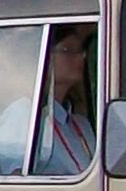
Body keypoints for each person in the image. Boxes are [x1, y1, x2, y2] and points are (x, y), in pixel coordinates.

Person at [31, 25, 97, 176]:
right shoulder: (25, 115)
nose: (80, 58)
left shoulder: (81, 124)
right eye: (68, 50)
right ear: (44, 59)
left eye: (81, 51)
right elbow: (15, 182)